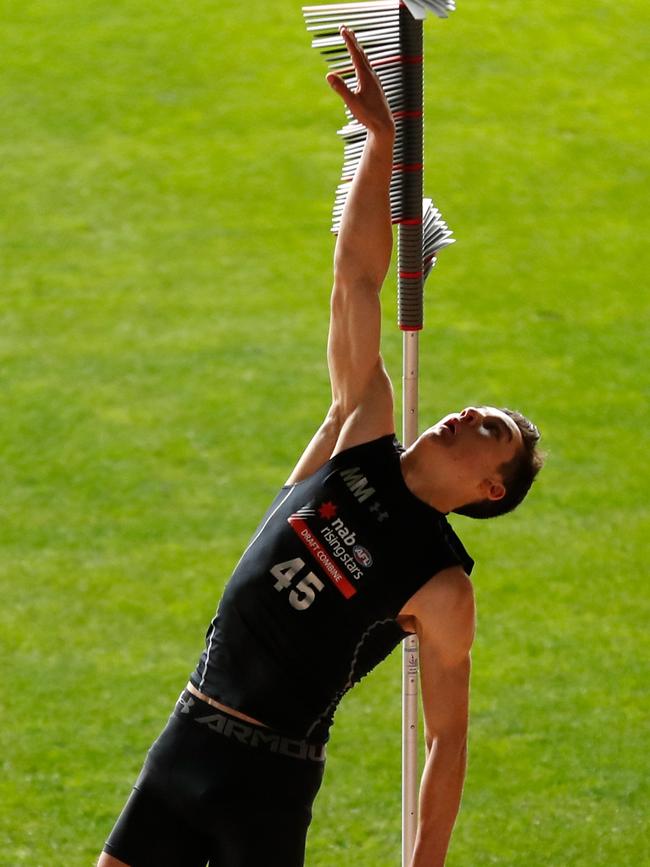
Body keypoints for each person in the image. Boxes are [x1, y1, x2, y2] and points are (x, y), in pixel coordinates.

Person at [98, 27, 543, 867]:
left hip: (269, 778)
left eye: (491, 432)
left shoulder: (442, 581)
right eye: (474, 408)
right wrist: (381, 143)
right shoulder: (361, 425)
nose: (464, 416)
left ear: (491, 489)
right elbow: (357, 280)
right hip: (187, 731)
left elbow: (448, 738)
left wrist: (425, 863)